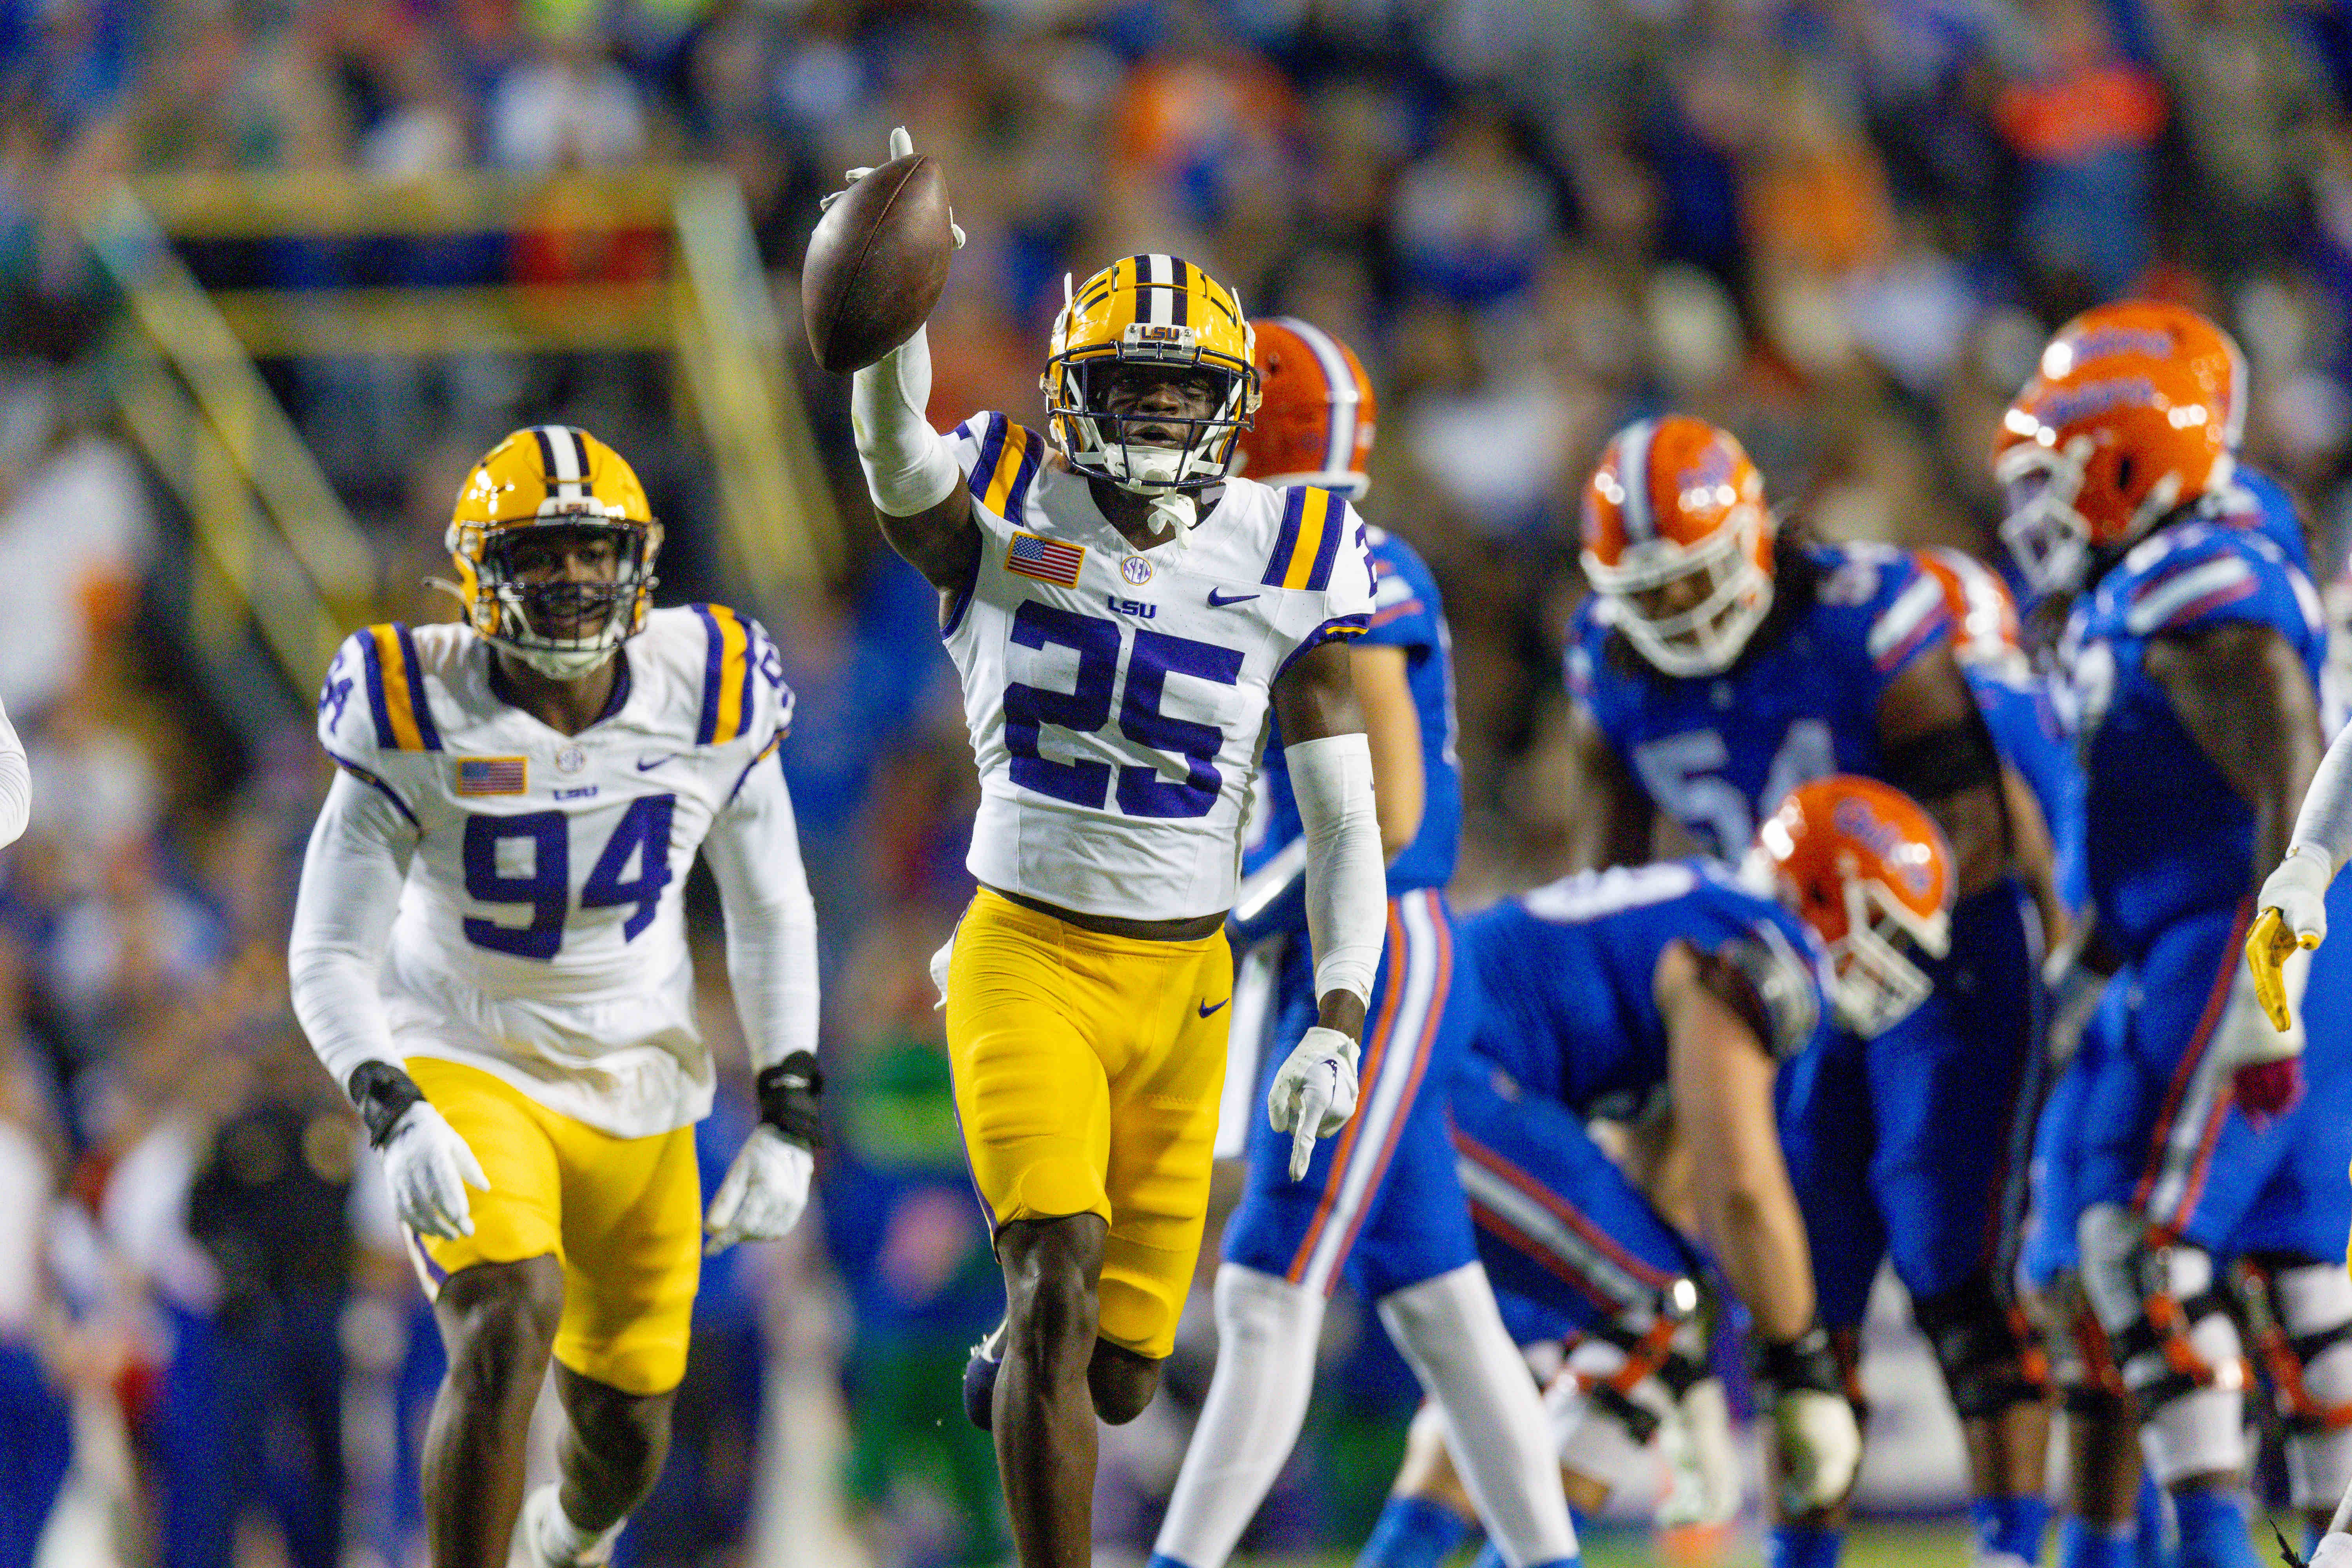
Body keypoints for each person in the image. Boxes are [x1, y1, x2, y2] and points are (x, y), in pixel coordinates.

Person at [831, 128, 1417, 1568]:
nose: (1155, 419)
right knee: (1054, 1281)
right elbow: (900, 462)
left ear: (1232, 411)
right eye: (1130, 388)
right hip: (1024, 954)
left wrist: (1340, 1012)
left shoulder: (1292, 552)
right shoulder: (1004, 494)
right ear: (1069, 394)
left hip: (1189, 989)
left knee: (1122, 1370)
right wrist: (886, 328)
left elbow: (1345, 820)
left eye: (1182, 392)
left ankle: (1029, 1367)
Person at [285, 425, 822, 1567]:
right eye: (539, 555)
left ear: (640, 559)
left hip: (641, 1076)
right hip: (466, 1052)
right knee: (503, 1315)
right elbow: (330, 946)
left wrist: (789, 1114)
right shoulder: (409, 700)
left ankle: (563, 1535)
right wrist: (393, 1104)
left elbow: (773, 906)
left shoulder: (708, 684)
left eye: (592, 552)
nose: (573, 579)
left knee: (626, 1436)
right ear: (479, 573)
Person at [1563, 414, 2053, 1568]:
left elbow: (1978, 814)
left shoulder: (1866, 617)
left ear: (1756, 543)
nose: (1679, 618)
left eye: (1695, 583)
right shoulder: (1607, 661)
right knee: (1799, 1300)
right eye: (1654, 592)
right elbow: (1617, 883)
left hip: (1941, 970)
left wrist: (1869, 906)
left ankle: (2014, 1550)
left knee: (1954, 1263)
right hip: (1784, 996)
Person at [1149, 316, 1581, 1568]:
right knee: (1444, 1312)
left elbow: (1385, 821)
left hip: (1374, 952)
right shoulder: (1288, 552)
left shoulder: (1338, 562)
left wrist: (1219, 912)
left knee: (1265, 1292)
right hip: (1344, 944)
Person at [1367, 775, 1941, 1568]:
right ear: (1827, 890)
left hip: (1412, 1069)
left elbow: (1658, 1178)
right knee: (1659, 1312)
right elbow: (1739, 1180)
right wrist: (1798, 1366)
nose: (1891, 962)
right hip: (1434, 1082)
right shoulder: (1756, 942)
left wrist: (1692, 1386)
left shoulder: (1696, 909)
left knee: (1533, 1357)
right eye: (1887, 927)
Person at [1999, 348, 2349, 1568]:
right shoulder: (2144, 577)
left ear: (2129, 467)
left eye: (2059, 474)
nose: (2036, 507)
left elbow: (2293, 762)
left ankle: (2205, 1548)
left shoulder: (2193, 578)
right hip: (2193, 935)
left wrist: (2277, 968)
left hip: (2233, 940)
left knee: (2143, 1249)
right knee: (2299, 1291)